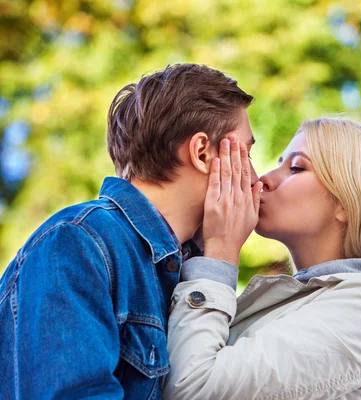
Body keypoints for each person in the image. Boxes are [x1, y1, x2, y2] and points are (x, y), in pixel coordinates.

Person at [163, 118, 361, 400]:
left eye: (295, 167)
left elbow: (193, 388)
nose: (262, 179)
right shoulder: (312, 302)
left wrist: (220, 250)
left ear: (348, 201)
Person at [0, 63, 262, 399]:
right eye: (247, 152)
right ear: (202, 153)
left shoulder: (186, 267)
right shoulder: (80, 242)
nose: (256, 177)